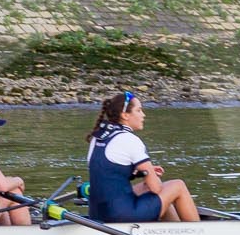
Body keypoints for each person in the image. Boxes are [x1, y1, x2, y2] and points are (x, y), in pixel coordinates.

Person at [85, 91, 200, 223]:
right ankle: (196, 232)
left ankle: (173, 230)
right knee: (177, 185)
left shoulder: (97, 138)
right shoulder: (130, 139)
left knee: (148, 187)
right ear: (125, 115)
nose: (143, 115)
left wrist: (141, 172)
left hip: (97, 214)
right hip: (121, 216)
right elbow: (156, 188)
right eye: (139, 110)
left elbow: (108, 171)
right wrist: (150, 174)